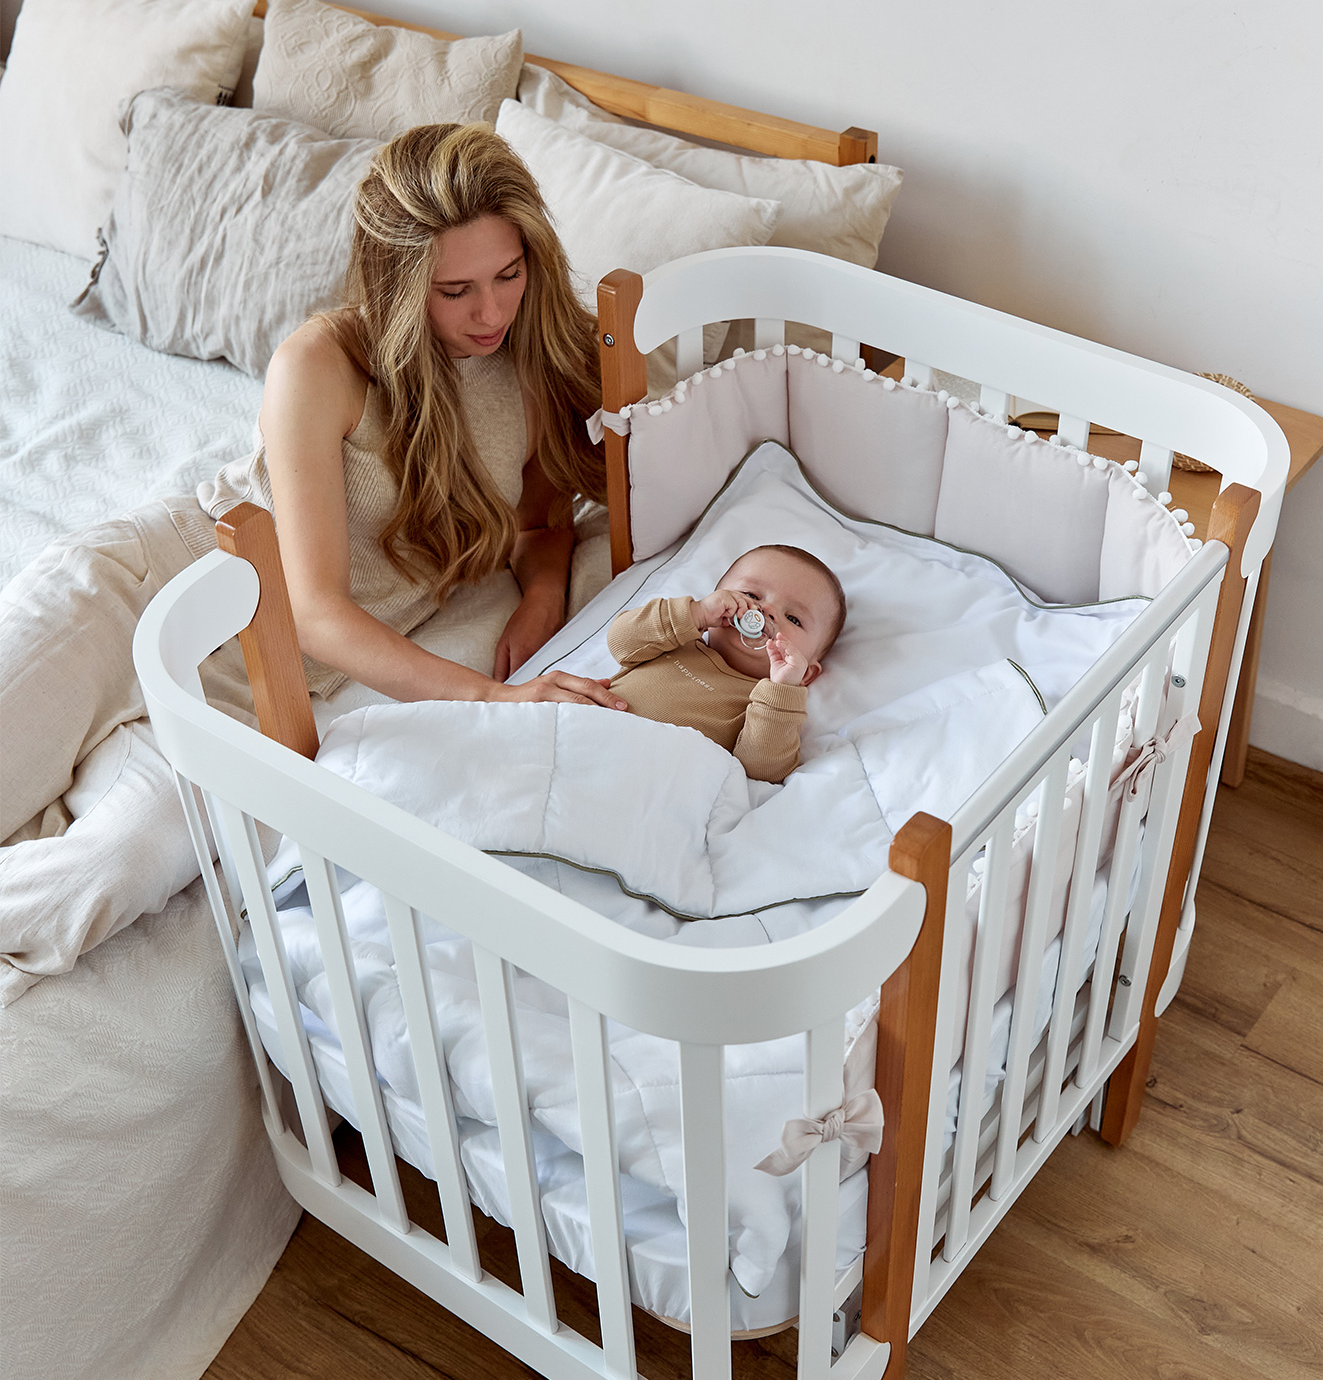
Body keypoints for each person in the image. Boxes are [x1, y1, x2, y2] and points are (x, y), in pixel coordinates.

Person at [0, 122, 624, 995]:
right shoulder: (322, 363)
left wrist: (542, 592)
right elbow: (318, 610)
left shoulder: (529, 358)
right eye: (455, 290)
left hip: (259, 696)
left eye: (508, 275)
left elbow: (539, 516)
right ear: (398, 280)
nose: (490, 313)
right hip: (144, 592)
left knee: (102, 880)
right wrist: (492, 700)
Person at [605, 545, 846, 783]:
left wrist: (783, 690)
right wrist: (695, 613)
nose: (766, 611)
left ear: (806, 674)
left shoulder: (768, 706)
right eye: (751, 595)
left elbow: (763, 771)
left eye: (793, 618)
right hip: (601, 732)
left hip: (655, 780)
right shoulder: (673, 641)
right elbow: (620, 641)